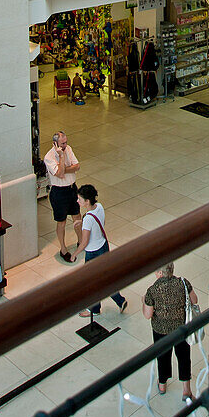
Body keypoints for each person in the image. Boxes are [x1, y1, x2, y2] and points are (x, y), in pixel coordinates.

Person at [142, 260, 198, 401]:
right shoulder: (183, 283)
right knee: (184, 357)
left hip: (161, 330)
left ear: (160, 273)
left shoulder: (152, 290)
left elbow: (148, 315)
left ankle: (162, 384)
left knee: (162, 356)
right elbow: (194, 300)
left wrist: (143, 301)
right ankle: (186, 390)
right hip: (181, 328)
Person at [72, 184, 128, 316]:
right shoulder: (100, 207)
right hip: (103, 246)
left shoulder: (88, 220)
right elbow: (96, 219)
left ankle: (95, 309)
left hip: (93, 253)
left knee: (91, 282)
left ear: (87, 201)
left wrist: (75, 254)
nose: (77, 201)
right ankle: (118, 301)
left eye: (79, 199)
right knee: (104, 278)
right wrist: (82, 221)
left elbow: (84, 242)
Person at [44, 130, 82, 262]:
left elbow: (77, 166)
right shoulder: (49, 157)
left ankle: (81, 241)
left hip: (72, 188)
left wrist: (64, 168)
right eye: (62, 144)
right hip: (59, 192)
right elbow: (60, 175)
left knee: (77, 215)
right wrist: (61, 158)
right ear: (55, 144)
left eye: (66, 142)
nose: (65, 146)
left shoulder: (69, 149)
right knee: (62, 222)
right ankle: (63, 249)